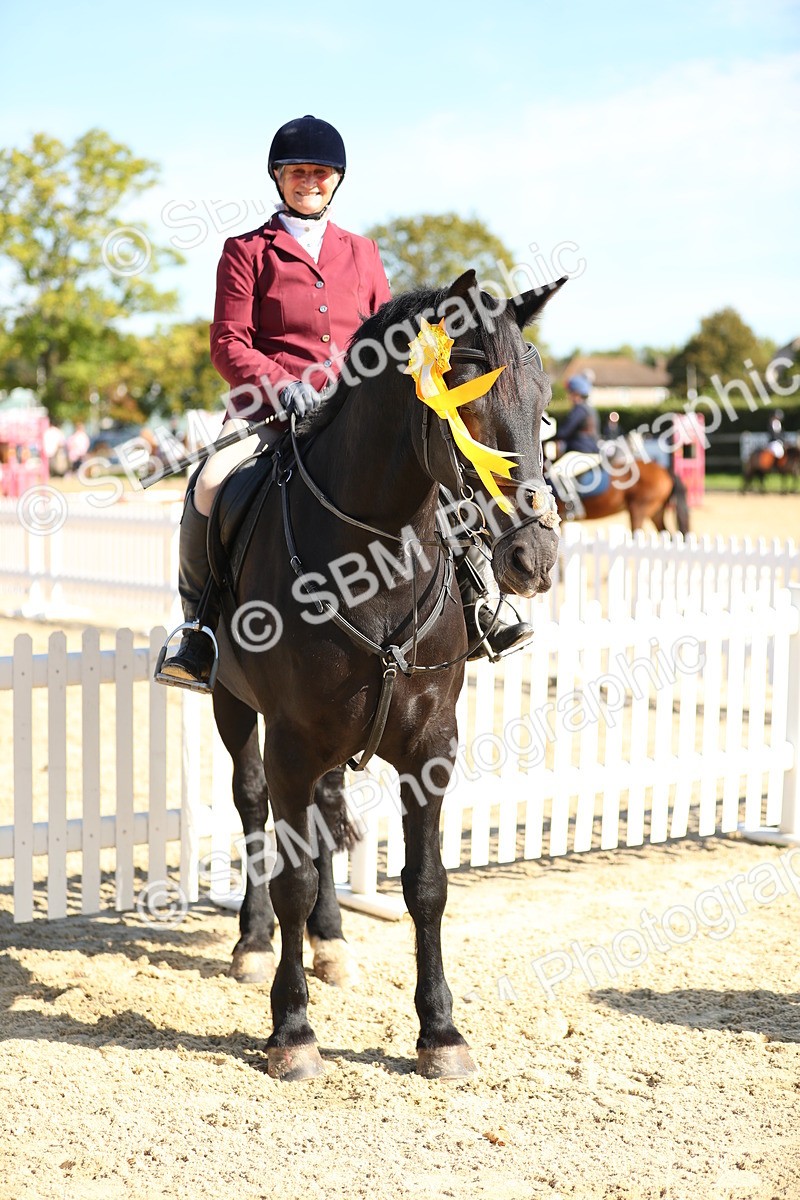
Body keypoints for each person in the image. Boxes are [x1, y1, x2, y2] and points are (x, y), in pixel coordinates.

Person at [156, 115, 531, 691]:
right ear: (279, 178)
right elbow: (229, 341)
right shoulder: (247, 251)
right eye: (298, 171)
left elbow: (389, 334)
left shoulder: (361, 251)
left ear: (337, 180)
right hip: (271, 410)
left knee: (437, 473)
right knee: (210, 482)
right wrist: (282, 387)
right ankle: (198, 630)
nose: (310, 181)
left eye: (321, 172)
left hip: (352, 413)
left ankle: (478, 605)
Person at [546, 374, 602, 518]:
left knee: (555, 472)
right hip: (590, 452)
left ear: (576, 393)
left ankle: (572, 506)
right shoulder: (589, 409)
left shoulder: (579, 409)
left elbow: (565, 431)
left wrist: (546, 440)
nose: (569, 396)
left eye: (570, 393)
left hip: (582, 453)